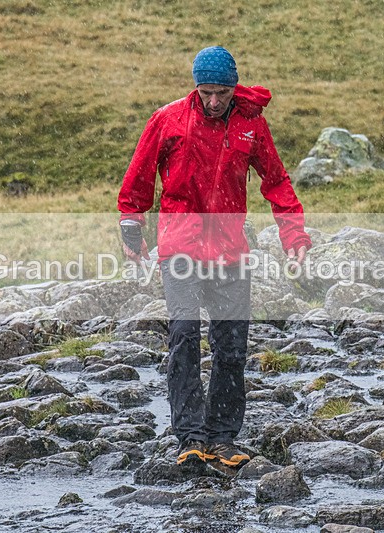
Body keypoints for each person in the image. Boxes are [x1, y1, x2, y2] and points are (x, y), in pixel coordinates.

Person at [117, 46, 311, 468]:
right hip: (180, 246)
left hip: (229, 249)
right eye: (206, 92)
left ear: (233, 87)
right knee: (184, 335)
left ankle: (223, 438)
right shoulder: (167, 119)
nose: (214, 101)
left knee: (231, 345)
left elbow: (276, 181)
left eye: (222, 92)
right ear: (196, 87)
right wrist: (131, 225)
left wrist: (292, 235)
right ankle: (189, 436)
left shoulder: (250, 125)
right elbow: (139, 177)